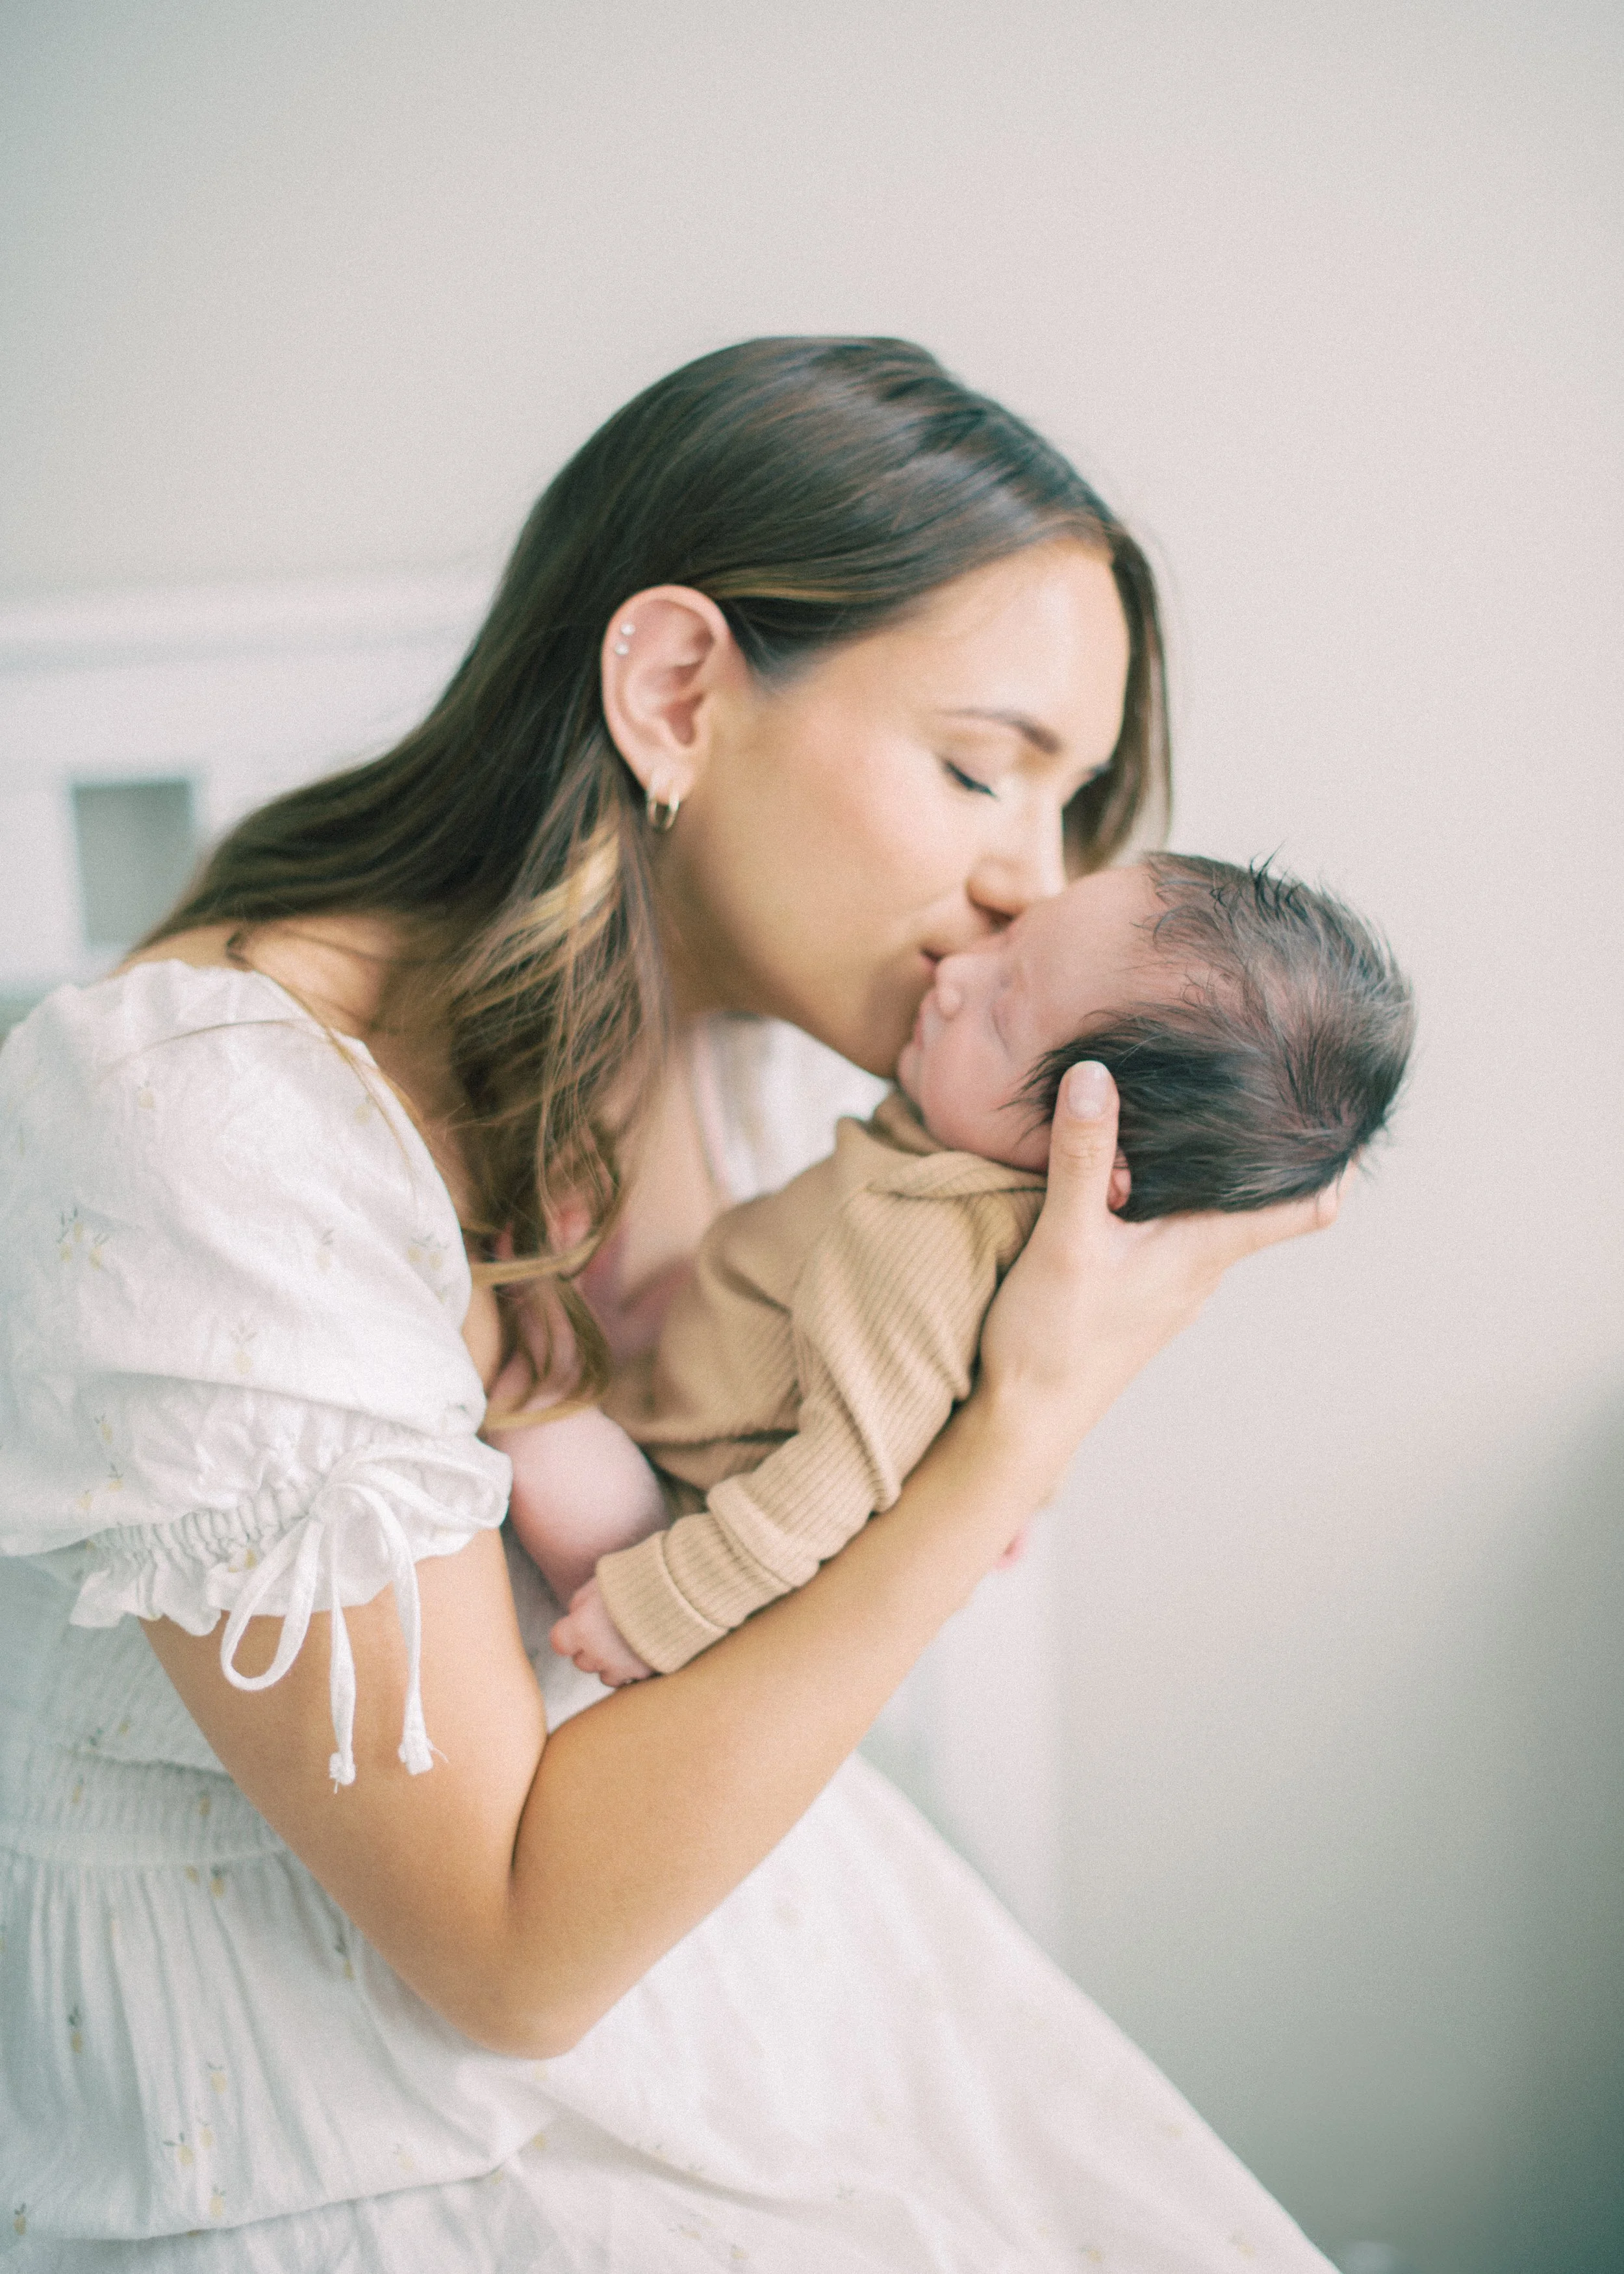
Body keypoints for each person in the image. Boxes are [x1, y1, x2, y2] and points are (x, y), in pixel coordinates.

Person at [0, 337, 1343, 2269]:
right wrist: (1011, 1432)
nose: (1022, 893)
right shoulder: (206, 1119)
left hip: (728, 1966)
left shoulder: (722, 1036)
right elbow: (512, 1954)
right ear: (674, 688)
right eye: (979, 766)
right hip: (337, 2124)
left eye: (1070, 818)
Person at [518, 852, 1413, 1687]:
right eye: (1006, 944)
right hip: (704, 1381)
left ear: (1087, 1150)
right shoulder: (958, 1159)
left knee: (539, 1430)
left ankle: (545, 1382)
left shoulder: (931, 1244)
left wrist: (657, 1608)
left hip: (694, 1515)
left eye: (1000, 1012)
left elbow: (834, 1482)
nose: (954, 976)